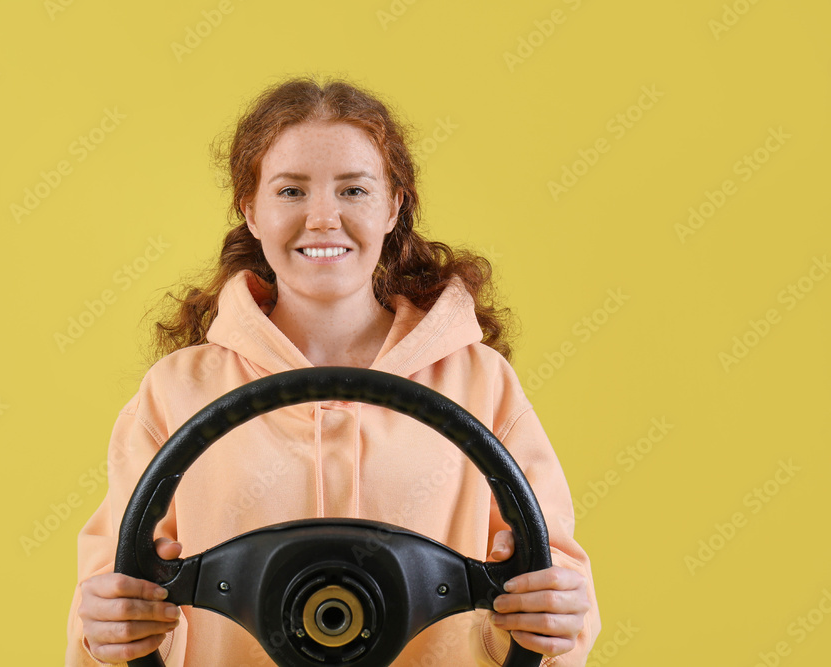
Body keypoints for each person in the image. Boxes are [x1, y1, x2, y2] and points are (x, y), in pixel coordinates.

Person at [66, 75, 600, 666]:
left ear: (394, 205)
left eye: (353, 190)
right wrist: (109, 629)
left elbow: (553, 591)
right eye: (291, 192)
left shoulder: (483, 384)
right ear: (251, 210)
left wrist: (547, 619)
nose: (323, 218)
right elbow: (114, 595)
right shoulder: (174, 393)